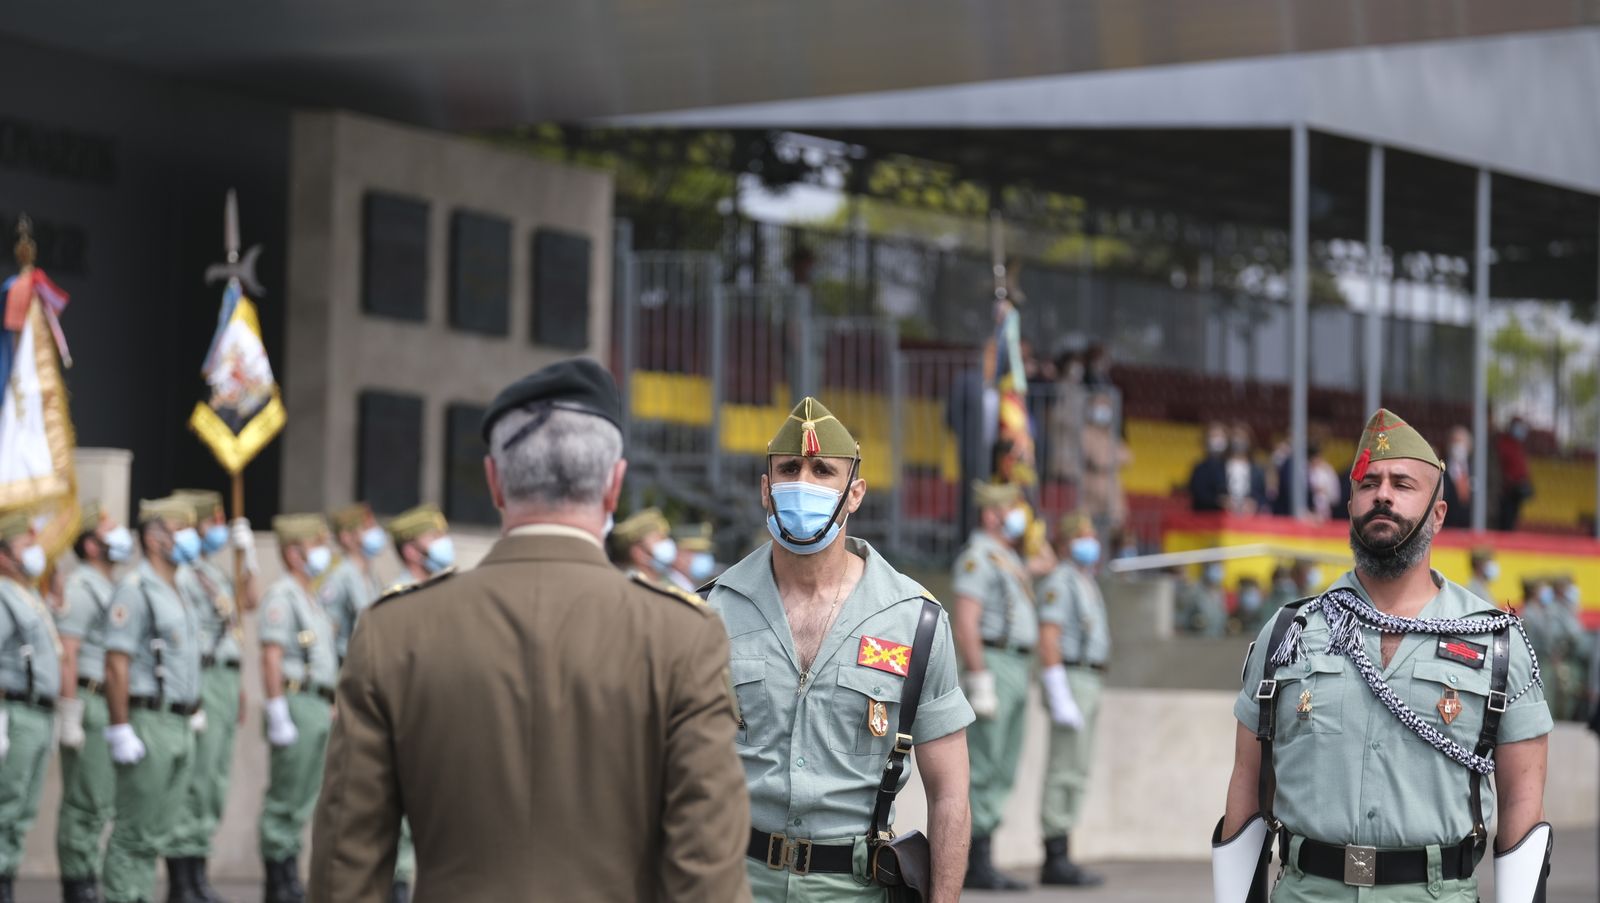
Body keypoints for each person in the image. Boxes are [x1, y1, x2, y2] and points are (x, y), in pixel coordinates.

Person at [309, 358, 750, 902]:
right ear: (614, 486)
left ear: (494, 480)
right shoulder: (683, 635)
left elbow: (344, 869)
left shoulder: (393, 631)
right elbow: (707, 873)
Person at [1215, 409, 1552, 902]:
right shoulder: (1290, 631)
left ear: (1438, 514)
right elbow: (1248, 784)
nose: (1383, 495)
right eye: (1369, 483)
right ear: (1350, 504)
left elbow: (1523, 808)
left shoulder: (1497, 642)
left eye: (1402, 483)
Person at [706, 396, 973, 901]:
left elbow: (950, 793)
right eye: (789, 468)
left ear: (854, 494)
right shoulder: (710, 613)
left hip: (853, 887)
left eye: (823, 470)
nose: (802, 482)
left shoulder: (915, 621)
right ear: (766, 490)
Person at [101, 498, 205, 903]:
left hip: (180, 722)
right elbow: (116, 664)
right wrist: (120, 726)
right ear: (154, 536)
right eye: (180, 527)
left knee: (155, 835)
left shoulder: (180, 588)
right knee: (133, 833)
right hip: (149, 720)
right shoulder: (136, 587)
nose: (189, 536)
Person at [168, 488, 260, 903]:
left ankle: (197, 872)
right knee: (196, 779)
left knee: (214, 781)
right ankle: (181, 880)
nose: (219, 530)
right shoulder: (185, 575)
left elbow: (249, 603)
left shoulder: (216, 573)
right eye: (215, 522)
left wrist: (250, 558)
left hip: (224, 679)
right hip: (201, 678)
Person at [952, 479, 1036, 890]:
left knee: (1003, 762)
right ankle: (975, 858)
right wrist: (979, 675)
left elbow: (1048, 560)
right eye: (1012, 507)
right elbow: (966, 619)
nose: (1021, 515)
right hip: (994, 660)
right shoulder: (979, 557)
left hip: (1016, 663)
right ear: (991, 514)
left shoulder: (1006, 556)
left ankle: (986, 854)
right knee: (985, 763)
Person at [258, 514, 340, 903]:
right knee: (286, 798)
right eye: (314, 544)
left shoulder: (312, 596)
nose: (323, 552)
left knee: (305, 797)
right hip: (294, 702)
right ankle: (278, 882)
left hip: (317, 704)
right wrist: (276, 709)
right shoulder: (283, 595)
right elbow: (271, 657)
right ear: (293, 553)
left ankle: (290, 875)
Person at [55, 503, 132, 903]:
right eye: (108, 529)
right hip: (89, 698)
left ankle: (87, 877)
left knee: (102, 801)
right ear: (90, 544)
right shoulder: (82, 586)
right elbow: (68, 651)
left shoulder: (113, 585)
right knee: (85, 801)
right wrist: (69, 711)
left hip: (111, 702)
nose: (120, 534)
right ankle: (78, 881)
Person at [1035, 513, 1108, 887]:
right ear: (1066, 542)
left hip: (1088, 677)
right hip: (1073, 676)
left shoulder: (1084, 580)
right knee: (1065, 767)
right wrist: (1058, 691)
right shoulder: (1061, 581)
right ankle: (1055, 853)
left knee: (1076, 767)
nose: (1090, 541)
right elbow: (1049, 637)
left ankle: (1062, 849)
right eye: (1082, 535)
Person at [0, 509, 61, 903]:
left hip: (39, 713)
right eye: (26, 545)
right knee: (4, 808)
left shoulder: (30, 594)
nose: (35, 552)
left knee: (21, 813)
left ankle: (6, 880)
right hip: (15, 713)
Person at [322, 503, 386, 663]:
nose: (375, 531)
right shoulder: (339, 576)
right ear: (346, 536)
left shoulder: (370, 577)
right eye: (367, 527)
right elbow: (328, 632)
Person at [604, 507, 677, 586]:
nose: (667, 544)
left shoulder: (668, 584)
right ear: (638, 553)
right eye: (659, 539)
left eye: (666, 538)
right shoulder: (626, 586)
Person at [384, 505, 454, 586]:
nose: (444, 542)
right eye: (435, 537)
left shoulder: (436, 586)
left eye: (443, 535)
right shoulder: (401, 596)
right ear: (410, 551)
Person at [1495, 417, 1533, 531]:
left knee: (1512, 521)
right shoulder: (1504, 444)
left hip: (1517, 492)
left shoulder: (1518, 446)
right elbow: (1501, 469)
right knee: (1505, 522)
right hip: (1507, 492)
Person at [1223, 423, 1267, 515]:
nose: (1239, 440)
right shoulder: (1219, 467)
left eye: (1243, 437)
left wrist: (1254, 504)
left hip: (1248, 519)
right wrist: (1222, 501)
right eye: (1236, 436)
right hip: (1223, 517)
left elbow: (1263, 496)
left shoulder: (1258, 469)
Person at [1176, 562, 1228, 637]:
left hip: (1217, 638)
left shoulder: (1220, 592)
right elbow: (1182, 616)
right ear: (1206, 570)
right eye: (1214, 568)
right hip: (1197, 640)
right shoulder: (1193, 590)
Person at [1188, 422, 1230, 513]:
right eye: (1213, 436)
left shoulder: (1231, 466)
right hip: (1205, 517)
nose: (1217, 440)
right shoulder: (1200, 468)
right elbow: (1198, 494)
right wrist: (1219, 501)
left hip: (1230, 519)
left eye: (1220, 436)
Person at [1441, 426, 1474, 529]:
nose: (1457, 446)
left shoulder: (1476, 468)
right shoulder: (1442, 469)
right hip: (1448, 527)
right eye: (1455, 441)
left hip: (1471, 526)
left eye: (1461, 442)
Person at [670, 521, 717, 591]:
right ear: (679, 553)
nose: (702, 557)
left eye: (704, 553)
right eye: (697, 552)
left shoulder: (688, 587)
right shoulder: (668, 587)